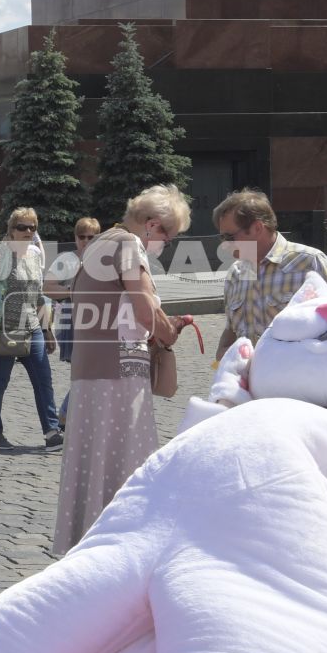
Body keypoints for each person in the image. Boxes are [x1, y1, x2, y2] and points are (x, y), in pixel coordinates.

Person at [53, 184, 189, 554]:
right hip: (118, 372)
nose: (168, 244)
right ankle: (120, 549)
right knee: (125, 463)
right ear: (151, 225)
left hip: (91, 371)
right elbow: (145, 309)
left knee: (95, 463)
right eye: (169, 235)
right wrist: (169, 331)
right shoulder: (129, 245)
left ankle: (90, 545)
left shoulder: (101, 242)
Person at [0, 206, 62, 451]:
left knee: (43, 379)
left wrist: (47, 329)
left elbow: (38, 295)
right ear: (11, 231)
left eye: (32, 227)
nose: (28, 231)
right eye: (22, 227)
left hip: (32, 326)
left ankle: (52, 432)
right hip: (2, 328)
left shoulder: (35, 253)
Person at [212, 189, 327, 354]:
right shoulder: (236, 273)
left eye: (229, 237)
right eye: (222, 238)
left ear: (257, 228)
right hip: (254, 379)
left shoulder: (310, 262)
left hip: (303, 376)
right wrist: (224, 355)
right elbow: (231, 332)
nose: (225, 244)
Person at [49, 216, 101, 365]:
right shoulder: (65, 259)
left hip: (100, 322)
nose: (85, 240)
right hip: (73, 322)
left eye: (90, 237)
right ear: (75, 238)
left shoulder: (105, 260)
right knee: (81, 370)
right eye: (81, 236)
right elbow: (47, 287)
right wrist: (72, 291)